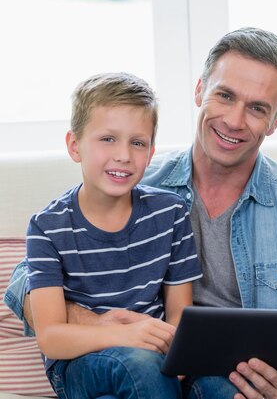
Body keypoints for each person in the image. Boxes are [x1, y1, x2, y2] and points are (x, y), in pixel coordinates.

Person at [5, 28, 277, 399]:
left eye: (256, 108)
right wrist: (102, 323)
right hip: (136, 362)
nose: (234, 120)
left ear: (276, 120)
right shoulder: (130, 180)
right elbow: (23, 279)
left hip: (222, 373)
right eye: (225, 95)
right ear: (200, 90)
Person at [23, 72, 203, 398]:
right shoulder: (47, 227)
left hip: (152, 354)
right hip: (79, 362)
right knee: (140, 364)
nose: (123, 154)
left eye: (137, 142)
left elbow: (179, 311)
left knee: (218, 383)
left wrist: (176, 353)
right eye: (108, 139)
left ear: (150, 153)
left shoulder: (170, 212)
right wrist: (127, 336)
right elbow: (50, 336)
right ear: (74, 146)